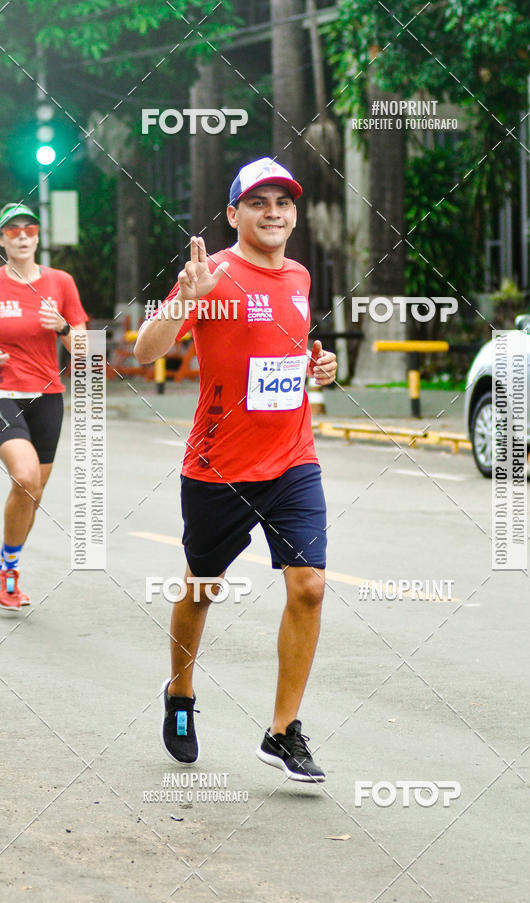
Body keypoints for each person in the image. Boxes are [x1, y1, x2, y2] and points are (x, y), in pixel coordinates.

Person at [135, 157, 337, 782]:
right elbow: (146, 351)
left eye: (282, 202)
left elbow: (283, 356)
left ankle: (283, 733)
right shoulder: (212, 275)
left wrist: (316, 369)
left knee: (309, 585)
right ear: (233, 214)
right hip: (218, 467)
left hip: (293, 460)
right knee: (202, 588)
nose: (273, 212)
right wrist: (182, 302)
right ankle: (180, 695)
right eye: (258, 203)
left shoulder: (300, 276)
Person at [0, 203, 88, 609]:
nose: (21, 235)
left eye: (28, 229)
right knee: (25, 476)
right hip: (3, 395)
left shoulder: (61, 283)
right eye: (12, 230)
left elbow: (86, 351)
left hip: (48, 397)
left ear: (37, 236)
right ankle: (9, 574)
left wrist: (64, 328)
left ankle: (7, 567)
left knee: (32, 493)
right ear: (2, 239)